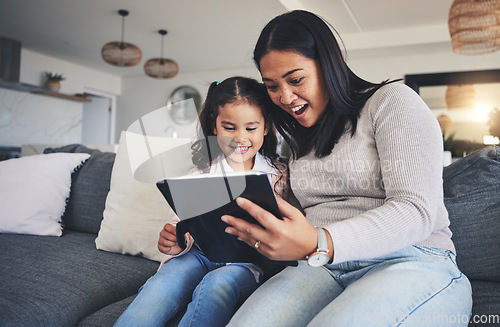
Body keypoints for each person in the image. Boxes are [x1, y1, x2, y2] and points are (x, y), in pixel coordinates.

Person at [217, 10, 473, 327]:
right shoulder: (298, 141)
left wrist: (319, 241)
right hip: (320, 265)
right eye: (271, 85)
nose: (284, 97)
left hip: (412, 259)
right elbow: (297, 221)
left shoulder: (392, 101)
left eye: (295, 80)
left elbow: (415, 209)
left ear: (328, 65)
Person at [115, 76, 287, 327]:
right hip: (198, 254)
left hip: (246, 262)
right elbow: (184, 219)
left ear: (265, 127)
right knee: (163, 285)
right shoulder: (201, 172)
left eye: (250, 128)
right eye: (229, 127)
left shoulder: (278, 175)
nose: (240, 137)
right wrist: (175, 236)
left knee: (216, 286)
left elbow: (284, 229)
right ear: (214, 126)